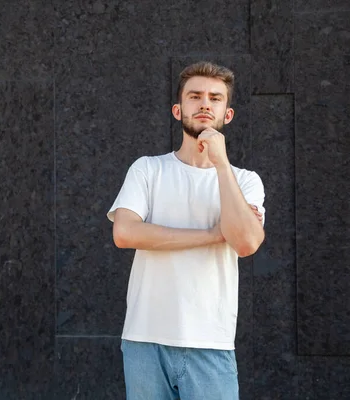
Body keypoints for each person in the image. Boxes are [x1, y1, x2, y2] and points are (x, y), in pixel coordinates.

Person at [107, 61, 266, 400]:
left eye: (215, 98)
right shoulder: (148, 170)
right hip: (144, 341)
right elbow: (125, 233)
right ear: (178, 110)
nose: (205, 104)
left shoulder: (245, 181)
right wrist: (213, 235)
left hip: (210, 343)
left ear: (228, 114)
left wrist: (221, 162)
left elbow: (247, 242)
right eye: (195, 96)